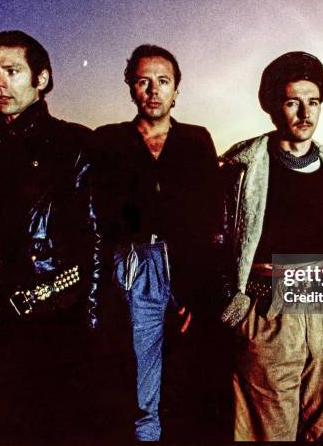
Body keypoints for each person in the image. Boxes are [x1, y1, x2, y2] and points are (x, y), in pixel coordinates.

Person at [0, 30, 94, 441]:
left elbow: (96, 238)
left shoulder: (75, 143)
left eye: (12, 71)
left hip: (55, 319)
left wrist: (90, 320)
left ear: (42, 79)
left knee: (54, 426)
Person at [219, 51, 323, 441]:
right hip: (270, 313)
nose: (305, 112)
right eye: (292, 101)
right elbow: (217, 238)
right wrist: (233, 305)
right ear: (272, 107)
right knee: (268, 433)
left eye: (313, 102)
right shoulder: (242, 170)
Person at [90, 44, 219, 441]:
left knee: (192, 368)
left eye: (163, 81)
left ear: (176, 90)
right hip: (135, 263)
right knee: (142, 381)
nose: (153, 90)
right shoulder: (108, 141)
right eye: (143, 81)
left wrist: (198, 292)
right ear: (131, 87)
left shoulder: (197, 140)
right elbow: (97, 214)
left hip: (186, 263)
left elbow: (212, 220)